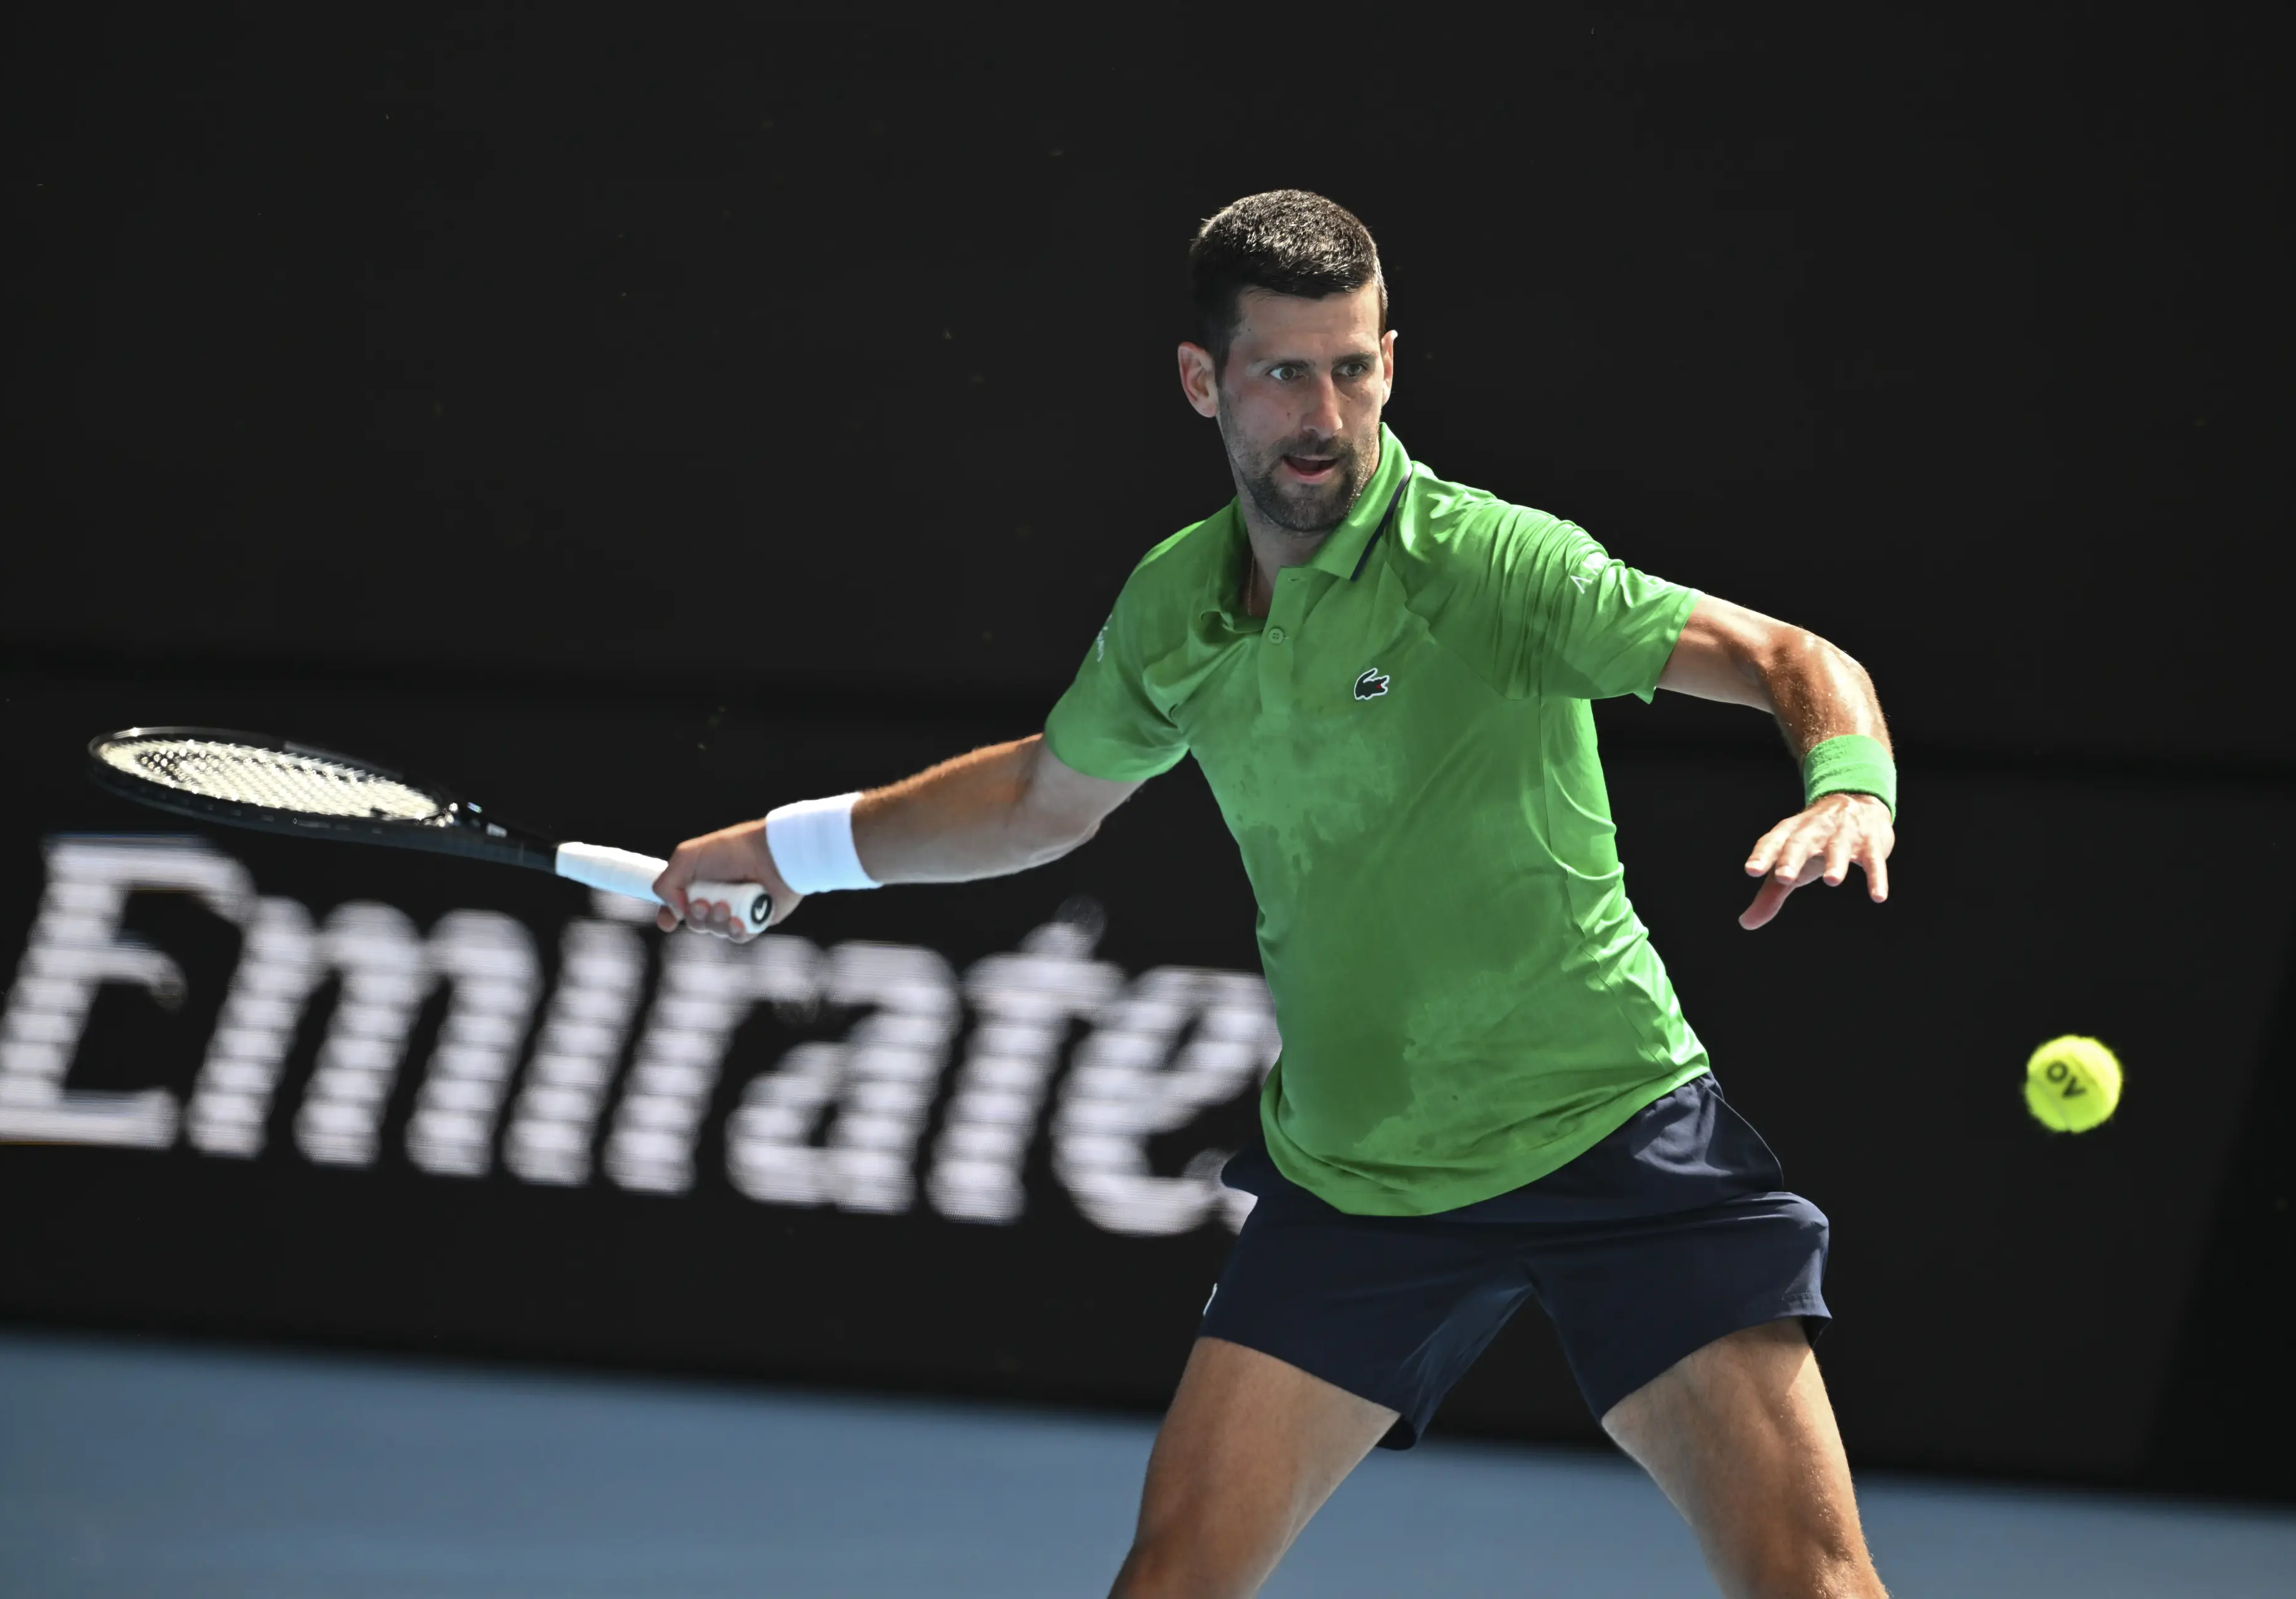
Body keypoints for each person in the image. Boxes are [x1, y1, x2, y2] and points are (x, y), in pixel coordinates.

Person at [654, 190, 1897, 1599]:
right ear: (1203, 381)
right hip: (1357, 1178)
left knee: (1811, 1584)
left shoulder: (1492, 566)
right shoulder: (1177, 607)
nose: (1325, 411)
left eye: (1354, 365)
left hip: (1611, 1135)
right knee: (1172, 1579)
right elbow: (1033, 801)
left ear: (1389, 361)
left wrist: (1848, 781)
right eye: (1283, 371)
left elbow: (1789, 653)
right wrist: (790, 848)